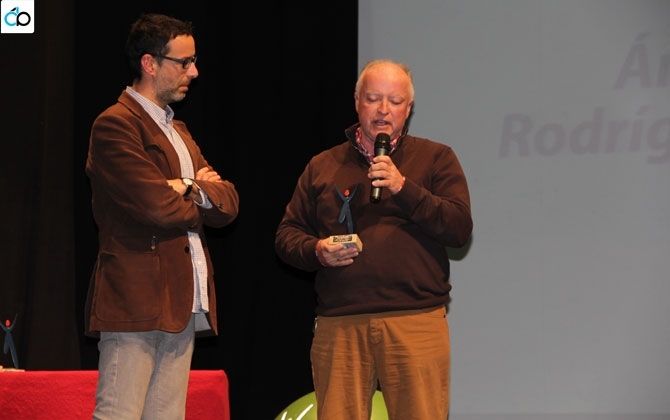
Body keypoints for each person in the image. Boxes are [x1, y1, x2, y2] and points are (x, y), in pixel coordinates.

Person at [275, 59, 472, 419]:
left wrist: (403, 188)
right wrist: (317, 250)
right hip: (340, 323)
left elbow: (458, 228)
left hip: (415, 320)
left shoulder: (436, 158)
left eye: (394, 101)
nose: (383, 110)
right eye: (373, 98)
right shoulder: (323, 165)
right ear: (357, 102)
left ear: (408, 109)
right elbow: (287, 236)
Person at [84, 13, 239, 419]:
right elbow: (157, 207)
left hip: (183, 298)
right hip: (136, 298)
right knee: (120, 412)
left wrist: (186, 185)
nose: (194, 72)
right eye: (184, 62)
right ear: (150, 63)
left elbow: (228, 204)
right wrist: (198, 190)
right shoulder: (115, 125)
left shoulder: (179, 131)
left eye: (194, 61)